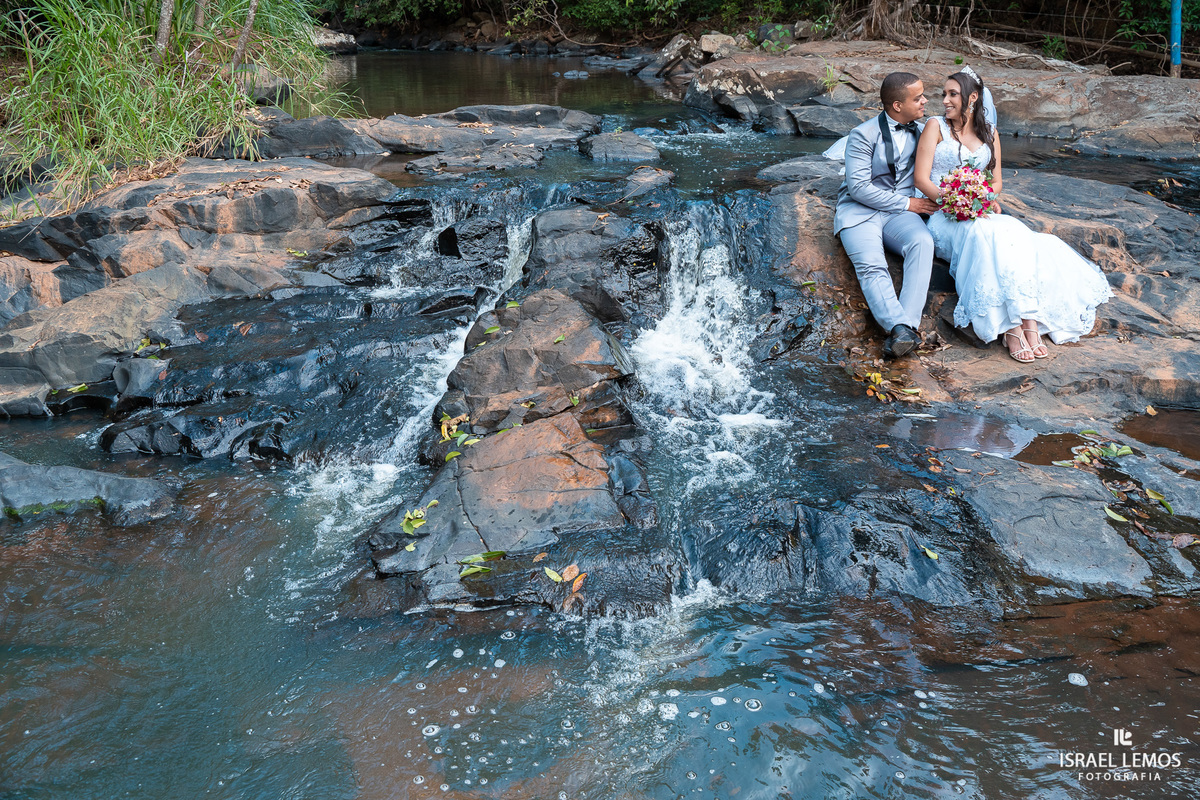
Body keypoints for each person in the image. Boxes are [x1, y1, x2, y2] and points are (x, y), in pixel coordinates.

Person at [913, 67, 1113, 362]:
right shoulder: (935, 126)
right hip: (945, 215)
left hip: (978, 211)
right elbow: (921, 180)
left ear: (972, 97)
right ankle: (1011, 327)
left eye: (952, 94)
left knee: (1015, 232)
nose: (944, 100)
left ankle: (1027, 321)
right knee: (981, 235)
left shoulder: (989, 132)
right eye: (943, 94)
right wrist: (956, 202)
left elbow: (995, 182)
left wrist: (982, 199)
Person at [834, 72, 940, 358]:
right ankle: (898, 328)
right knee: (872, 264)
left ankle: (906, 327)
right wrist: (909, 204)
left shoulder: (923, 132)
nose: (925, 102)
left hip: (898, 214)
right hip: (861, 211)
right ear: (897, 105)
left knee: (922, 243)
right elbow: (858, 188)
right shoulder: (862, 134)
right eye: (918, 98)